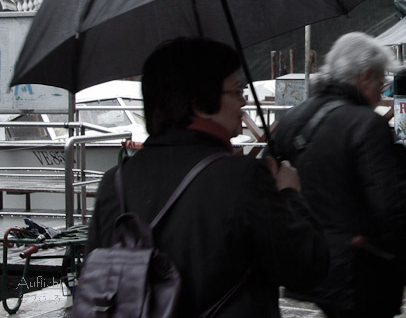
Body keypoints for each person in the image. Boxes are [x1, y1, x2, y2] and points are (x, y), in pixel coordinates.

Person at [85, 38, 329, 317]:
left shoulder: (114, 183)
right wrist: (289, 194)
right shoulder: (243, 177)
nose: (243, 102)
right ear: (200, 103)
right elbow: (308, 268)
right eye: (237, 92)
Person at [271, 32, 406, 318]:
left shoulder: (292, 118)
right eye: (380, 82)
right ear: (364, 77)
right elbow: (390, 209)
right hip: (361, 272)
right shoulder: (366, 125)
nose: (380, 92)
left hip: (313, 264)